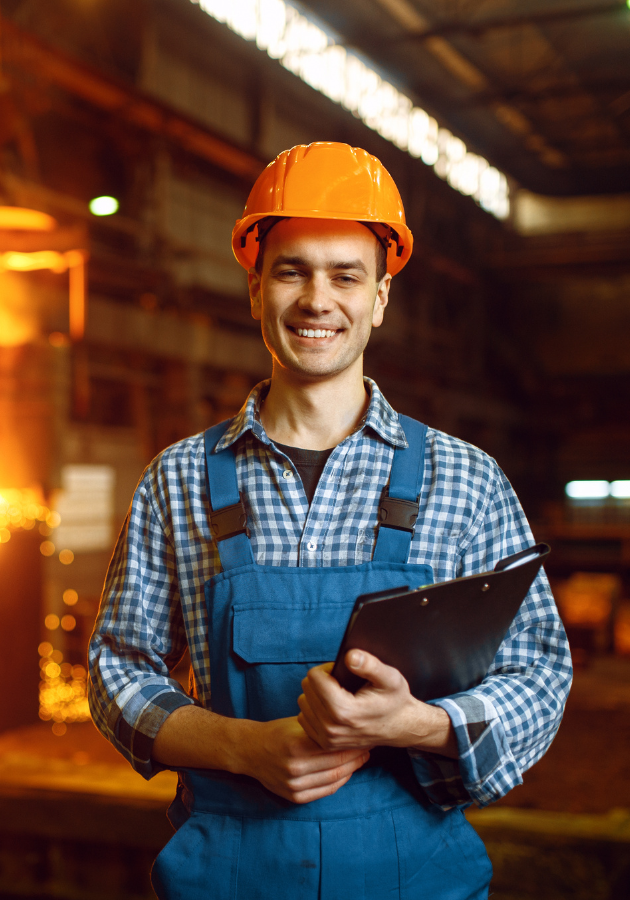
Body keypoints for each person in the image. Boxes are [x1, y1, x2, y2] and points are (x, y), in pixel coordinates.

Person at [88, 142, 572, 899]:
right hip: (231, 877)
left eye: (346, 275)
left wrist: (412, 724)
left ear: (380, 298)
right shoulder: (178, 480)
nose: (319, 299)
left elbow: (541, 672)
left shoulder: (465, 478)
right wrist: (244, 747)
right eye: (292, 271)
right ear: (255, 290)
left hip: (417, 880)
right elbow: (117, 670)